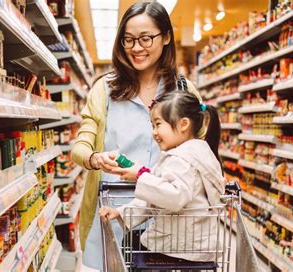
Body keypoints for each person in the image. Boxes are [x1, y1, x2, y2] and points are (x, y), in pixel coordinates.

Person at [71, 2, 202, 269]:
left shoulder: (184, 91)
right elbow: (81, 145)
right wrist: (95, 158)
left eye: (146, 38)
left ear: (166, 37)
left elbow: (200, 151)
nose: (136, 47)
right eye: (128, 39)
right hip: (111, 213)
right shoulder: (104, 89)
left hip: (168, 216)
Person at [99, 91, 225, 263]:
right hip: (192, 240)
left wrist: (141, 176)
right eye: (153, 126)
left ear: (183, 124)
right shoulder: (196, 152)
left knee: (131, 245)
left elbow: (174, 197)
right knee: (134, 241)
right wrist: (120, 213)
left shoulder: (182, 159)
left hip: (183, 246)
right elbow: (157, 197)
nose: (154, 132)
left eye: (158, 124)